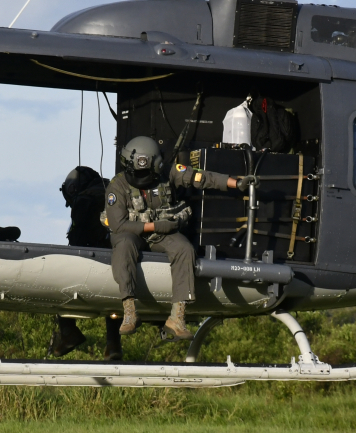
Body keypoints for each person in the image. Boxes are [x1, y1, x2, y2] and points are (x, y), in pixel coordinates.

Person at [106, 136, 255, 339]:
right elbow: (119, 225)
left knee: (185, 249)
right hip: (133, 234)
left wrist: (235, 183)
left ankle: (177, 317)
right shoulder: (117, 186)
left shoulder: (169, 173)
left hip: (162, 235)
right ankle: (129, 310)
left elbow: (201, 177)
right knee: (123, 244)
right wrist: (155, 225)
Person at [50, 166, 123, 360]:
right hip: (121, 258)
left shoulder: (84, 200)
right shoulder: (115, 191)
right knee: (113, 304)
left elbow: (78, 239)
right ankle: (113, 344)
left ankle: (68, 333)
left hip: (95, 259)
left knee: (60, 281)